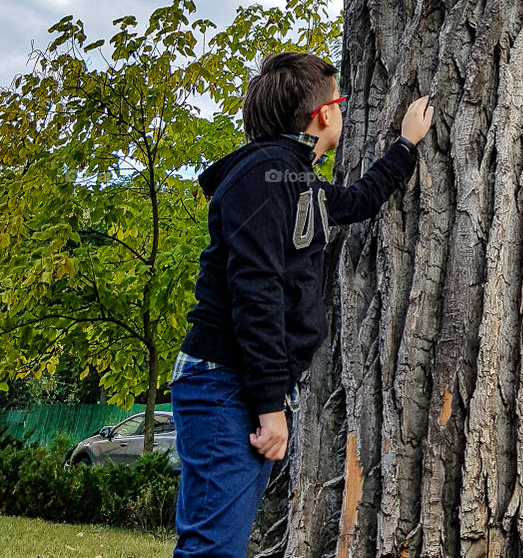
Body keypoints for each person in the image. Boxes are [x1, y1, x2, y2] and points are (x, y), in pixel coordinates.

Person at [169, 51, 433, 558]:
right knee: (213, 549)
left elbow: (354, 201)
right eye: (340, 100)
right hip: (226, 382)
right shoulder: (264, 177)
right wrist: (269, 406)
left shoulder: (293, 179)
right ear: (323, 114)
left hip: (233, 384)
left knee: (215, 544)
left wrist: (406, 145)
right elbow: (256, 287)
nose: (342, 110)